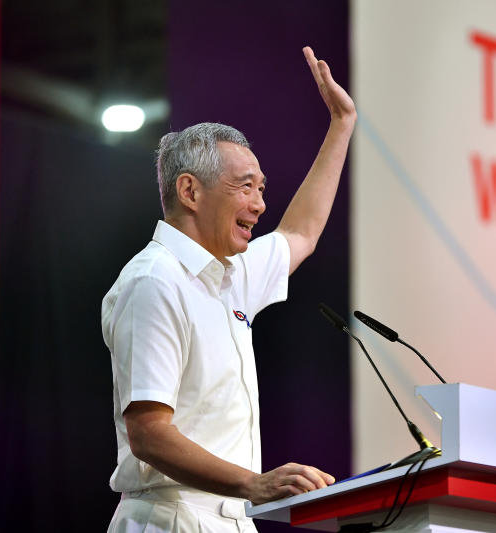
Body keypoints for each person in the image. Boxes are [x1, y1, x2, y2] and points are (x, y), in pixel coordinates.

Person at [101, 46, 355, 532]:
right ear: (190, 191)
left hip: (229, 517)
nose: (260, 205)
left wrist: (341, 126)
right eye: (245, 187)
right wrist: (253, 484)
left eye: (262, 189)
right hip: (172, 517)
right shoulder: (154, 280)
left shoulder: (230, 275)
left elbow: (299, 233)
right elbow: (149, 435)